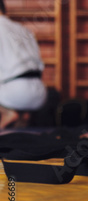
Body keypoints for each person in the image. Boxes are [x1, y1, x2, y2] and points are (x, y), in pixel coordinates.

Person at [0, 0, 47, 129]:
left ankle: (8, 113)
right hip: (39, 93)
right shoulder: (24, 30)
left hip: (13, 93)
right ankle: (23, 117)